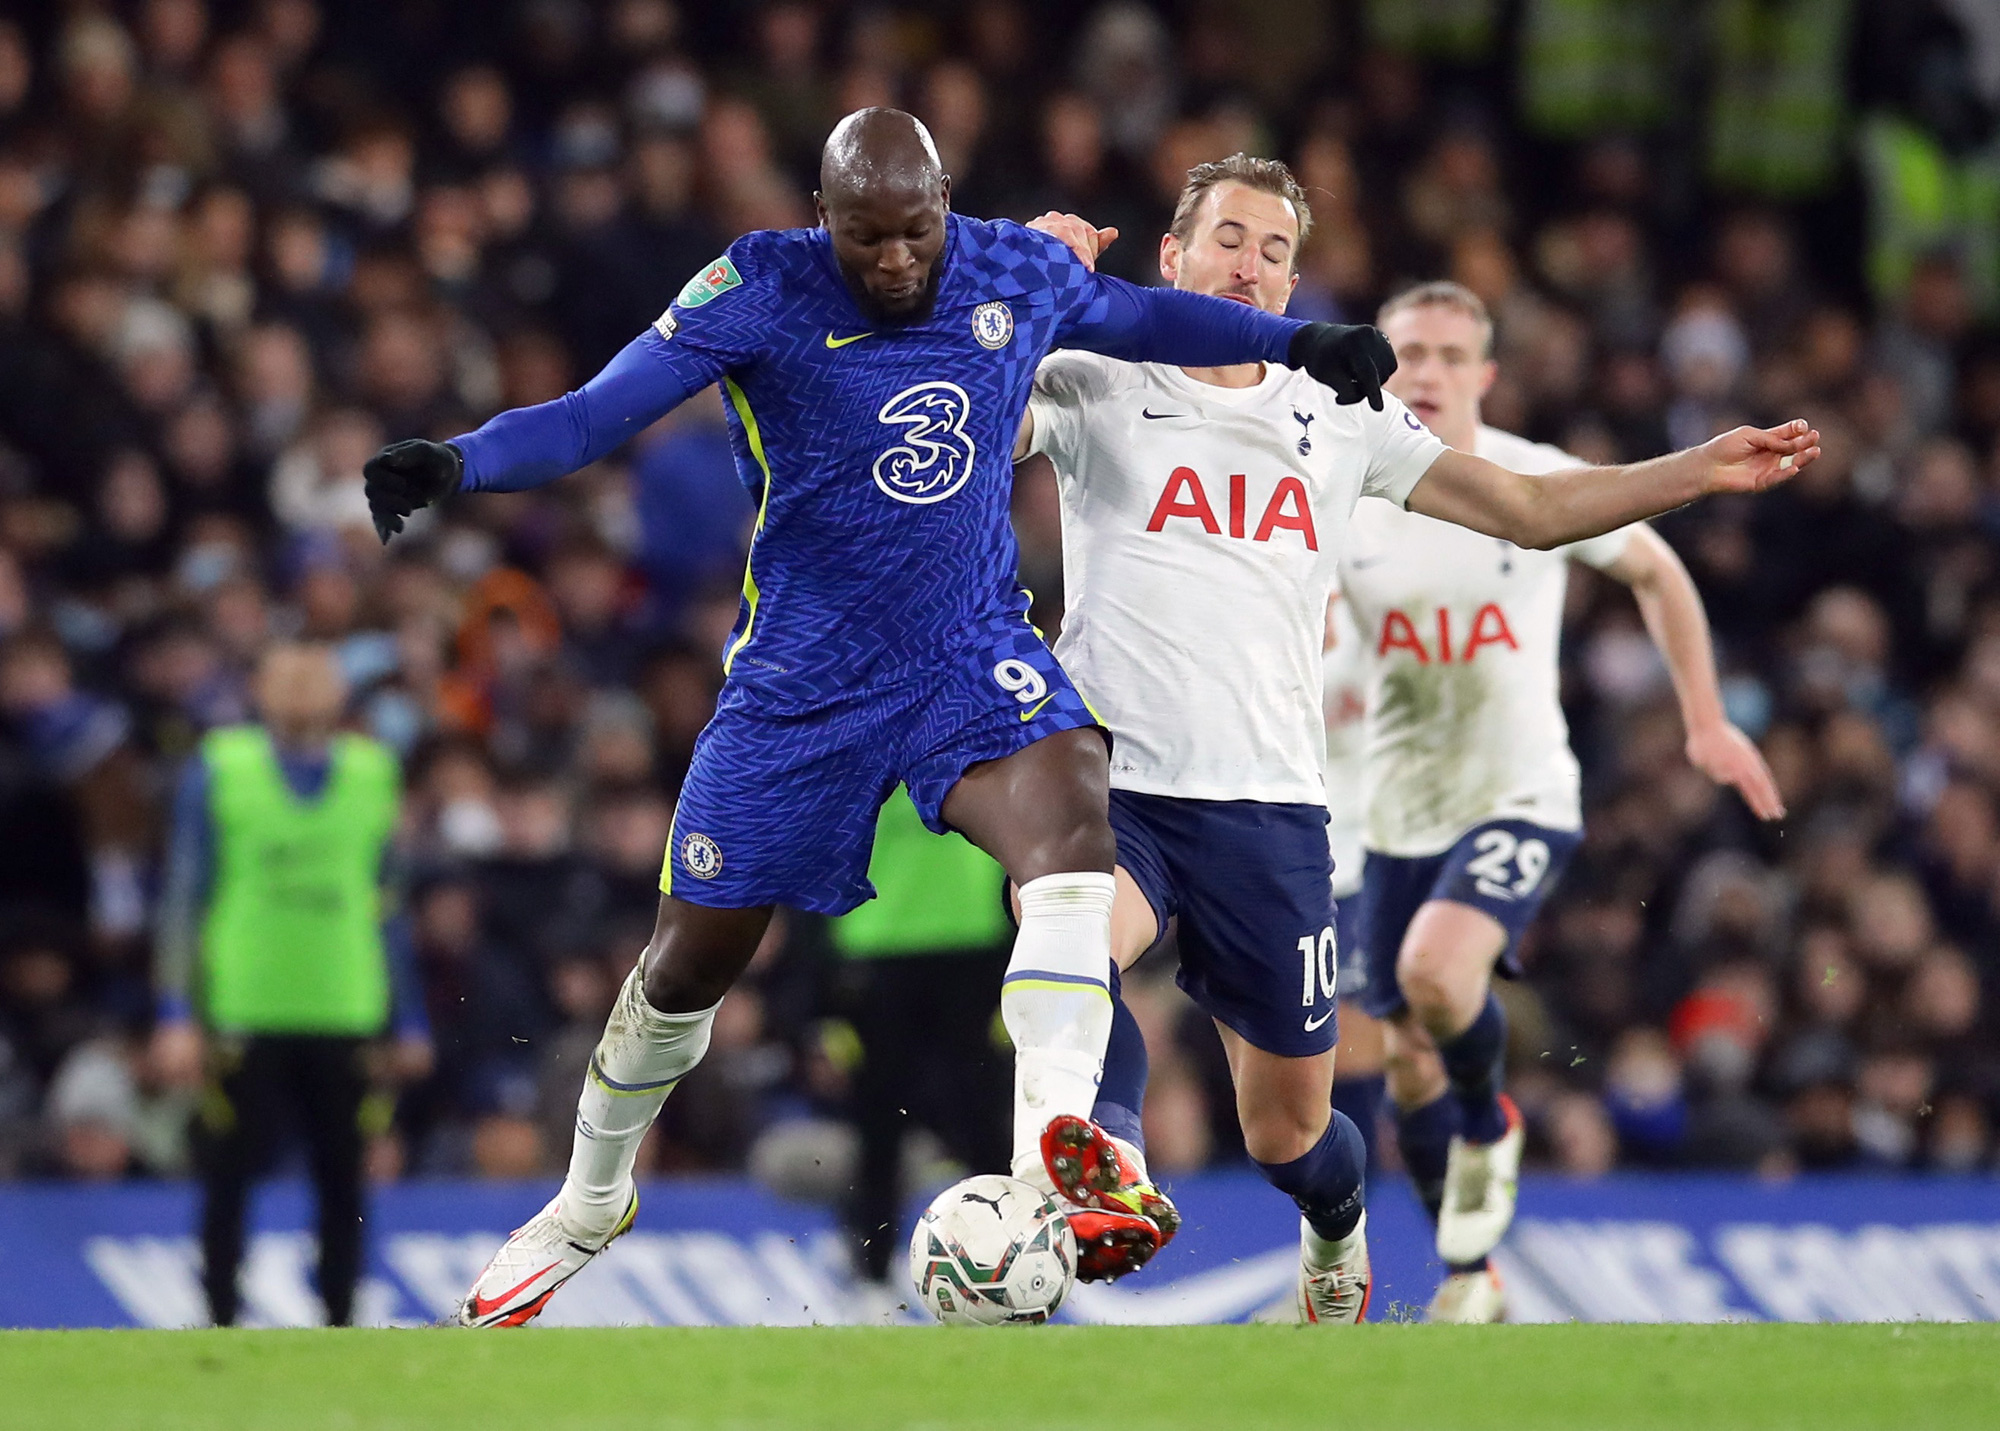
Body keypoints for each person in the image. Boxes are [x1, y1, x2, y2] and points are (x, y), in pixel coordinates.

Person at [363, 108, 1407, 1327]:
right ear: (824, 220)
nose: (898, 259)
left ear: (946, 205)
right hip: (800, 687)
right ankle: (590, 1199)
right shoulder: (754, 284)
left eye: (916, 231)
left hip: (966, 652)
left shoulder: (1008, 265)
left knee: (1075, 822)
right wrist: (464, 461)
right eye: (867, 237)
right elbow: (597, 415)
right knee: (685, 965)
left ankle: (1048, 1157)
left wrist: (1299, 339)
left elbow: (1144, 315)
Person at [1016, 158, 1816, 1322]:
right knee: (1068, 944)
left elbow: (1529, 511)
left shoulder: (1335, 411)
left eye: (1274, 249)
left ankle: (1335, 1227)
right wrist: (1032, 281)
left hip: (1271, 810)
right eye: (1227, 239)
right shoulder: (1091, 379)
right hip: (1109, 781)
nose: (1249, 264)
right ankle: (1111, 1168)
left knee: (1286, 1131)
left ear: (1292, 281)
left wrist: (1697, 469)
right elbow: (972, 416)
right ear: (1172, 261)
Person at [1339, 280, 1787, 1322]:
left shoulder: (1531, 478)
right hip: (1393, 811)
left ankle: (1492, 1123)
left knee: (1433, 975)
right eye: (1411, 350)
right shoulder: (1343, 490)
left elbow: (1657, 571)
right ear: (1379, 363)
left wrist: (1704, 719)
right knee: (1405, 1066)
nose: (1431, 370)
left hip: (1519, 792)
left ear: (1485, 374)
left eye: (1454, 353)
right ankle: (1470, 1273)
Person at [148, 643, 429, 1327]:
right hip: (244, 1003)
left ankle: (339, 1316)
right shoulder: (220, 768)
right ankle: (218, 1313)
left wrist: (411, 1017)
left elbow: (388, 904)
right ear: (261, 693)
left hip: (345, 1003)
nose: (303, 695)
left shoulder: (373, 773)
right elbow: (185, 896)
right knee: (229, 1172)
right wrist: (176, 1010)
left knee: (344, 1175)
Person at [828, 788, 1011, 1301]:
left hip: (972, 950)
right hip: (875, 951)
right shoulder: (855, 730)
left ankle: (1004, 1261)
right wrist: (817, 993)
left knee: (982, 1123)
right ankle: (871, 1275)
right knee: (878, 1129)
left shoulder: (978, 722)